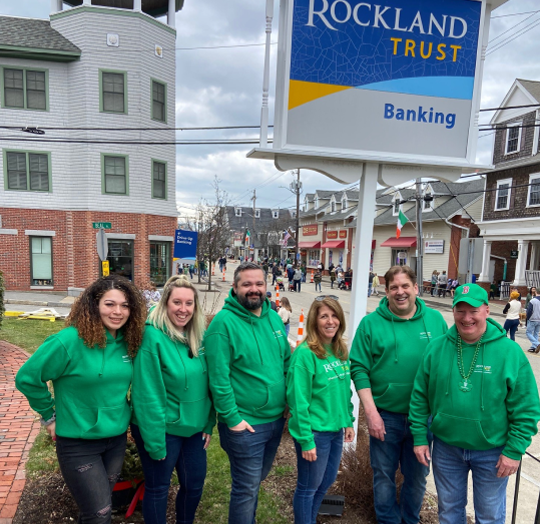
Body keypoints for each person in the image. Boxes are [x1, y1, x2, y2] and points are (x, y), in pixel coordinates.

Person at [15, 276, 147, 524]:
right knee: (99, 514)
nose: (118, 311)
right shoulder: (68, 342)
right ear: (94, 305)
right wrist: (49, 416)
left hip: (115, 440)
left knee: (99, 508)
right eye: (109, 304)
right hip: (78, 444)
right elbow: (27, 377)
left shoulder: (128, 342)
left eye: (125, 305)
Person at [410, 284, 540, 524]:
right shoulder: (436, 348)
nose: (466, 318)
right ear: (454, 311)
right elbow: (420, 397)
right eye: (460, 310)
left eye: (473, 311)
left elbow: (527, 407)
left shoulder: (509, 352)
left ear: (487, 311)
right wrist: (419, 437)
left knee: (489, 517)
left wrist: (514, 450)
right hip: (447, 449)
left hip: (493, 451)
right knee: (449, 513)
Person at [350, 265, 448, 524]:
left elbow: (449, 364)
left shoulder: (436, 321)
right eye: (394, 287)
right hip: (385, 417)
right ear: (386, 291)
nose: (400, 292)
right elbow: (358, 369)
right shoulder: (370, 324)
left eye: (405, 286)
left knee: (417, 477)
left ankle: (409, 520)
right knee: (383, 475)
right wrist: (371, 413)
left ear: (416, 288)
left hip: (423, 420)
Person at [204, 262, 291, 524]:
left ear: (267, 286)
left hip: (276, 420)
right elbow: (218, 378)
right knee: (246, 488)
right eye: (247, 284)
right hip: (246, 424)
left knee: (255, 481)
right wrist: (232, 419)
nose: (254, 289)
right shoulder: (223, 324)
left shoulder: (274, 317)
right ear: (235, 287)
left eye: (259, 284)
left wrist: (288, 400)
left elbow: (286, 361)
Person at [131, 275, 214, 524]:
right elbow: (147, 395)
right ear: (165, 303)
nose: (183, 309)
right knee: (158, 488)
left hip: (194, 428)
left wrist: (209, 421)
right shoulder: (152, 337)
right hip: (162, 428)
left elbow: (209, 384)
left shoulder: (197, 335)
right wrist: (155, 443)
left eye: (189, 303)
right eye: (177, 302)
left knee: (194, 485)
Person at [287, 296, 355, 524]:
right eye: (324, 316)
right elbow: (298, 401)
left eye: (334, 315)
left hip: (334, 431)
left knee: (324, 484)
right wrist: (306, 439)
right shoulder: (306, 354)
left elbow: (344, 391)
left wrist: (348, 420)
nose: (330, 321)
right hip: (315, 432)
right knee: (308, 488)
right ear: (314, 321)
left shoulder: (339, 350)